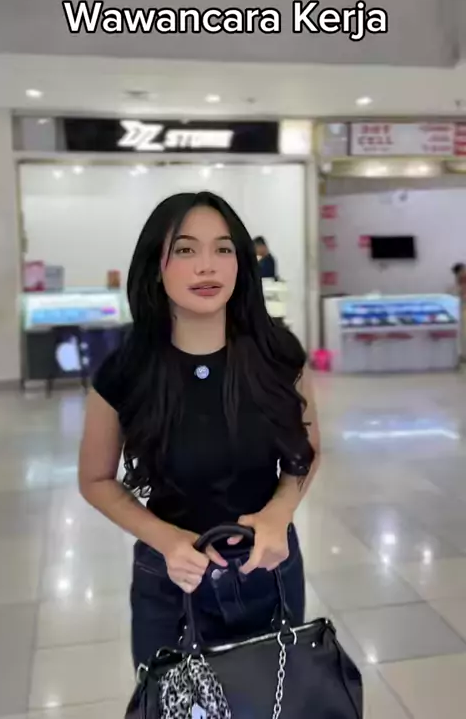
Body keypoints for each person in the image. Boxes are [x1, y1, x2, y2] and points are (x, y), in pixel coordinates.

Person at [79, 191, 320, 669]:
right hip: (171, 579)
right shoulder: (126, 369)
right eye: (186, 249)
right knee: (173, 701)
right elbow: (95, 479)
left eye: (223, 249)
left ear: (241, 264)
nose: (207, 266)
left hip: (268, 569)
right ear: (156, 266)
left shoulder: (279, 354)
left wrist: (279, 513)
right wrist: (166, 539)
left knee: (274, 697)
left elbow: (307, 451)